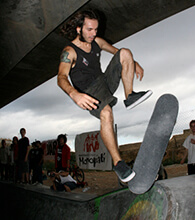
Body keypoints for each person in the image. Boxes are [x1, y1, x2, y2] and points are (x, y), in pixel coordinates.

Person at [57, 9, 152, 182]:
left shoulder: (97, 42)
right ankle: (118, 164)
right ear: (79, 29)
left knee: (125, 52)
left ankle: (129, 96)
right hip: (89, 93)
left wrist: (133, 62)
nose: (94, 34)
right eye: (89, 30)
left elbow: (117, 52)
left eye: (96, 29)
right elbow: (61, 77)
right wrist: (74, 94)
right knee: (106, 113)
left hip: (104, 81)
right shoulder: (69, 52)